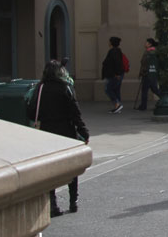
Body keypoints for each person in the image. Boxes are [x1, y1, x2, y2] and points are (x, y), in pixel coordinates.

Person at [27, 59, 89, 217]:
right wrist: (83, 130)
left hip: (47, 131)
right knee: (71, 166)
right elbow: (75, 111)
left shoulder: (40, 88)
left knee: (50, 168)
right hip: (66, 130)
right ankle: (73, 200)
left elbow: (31, 111)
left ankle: (53, 203)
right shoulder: (66, 88)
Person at [100, 36, 126, 114]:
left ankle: (117, 104)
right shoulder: (117, 51)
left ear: (111, 43)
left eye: (109, 41)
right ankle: (117, 107)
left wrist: (117, 73)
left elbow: (116, 63)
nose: (108, 42)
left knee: (108, 89)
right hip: (117, 74)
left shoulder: (113, 51)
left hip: (114, 74)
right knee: (116, 90)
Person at [136, 38, 162, 111]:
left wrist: (144, 72)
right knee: (153, 89)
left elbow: (146, 64)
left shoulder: (150, 52)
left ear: (150, 44)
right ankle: (143, 105)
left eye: (146, 43)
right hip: (149, 73)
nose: (145, 44)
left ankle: (143, 105)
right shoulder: (150, 52)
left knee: (146, 90)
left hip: (148, 74)